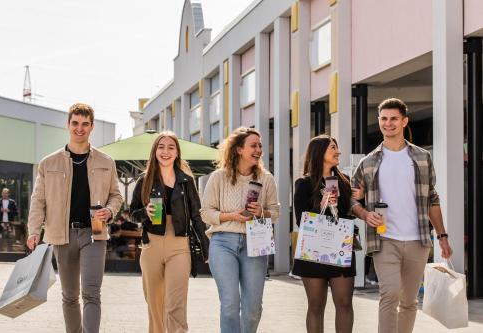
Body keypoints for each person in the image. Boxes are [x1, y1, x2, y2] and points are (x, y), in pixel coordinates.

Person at [351, 98, 453, 333]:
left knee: (409, 301)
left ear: (404, 121)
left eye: (394, 118)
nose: (388, 123)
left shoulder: (421, 158)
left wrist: (443, 236)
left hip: (417, 240)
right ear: (379, 122)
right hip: (384, 239)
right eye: (384, 119)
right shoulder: (368, 162)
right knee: (390, 295)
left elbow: (432, 198)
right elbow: (352, 198)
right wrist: (365, 214)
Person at [27, 103, 123, 333]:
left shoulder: (106, 161)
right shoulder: (48, 163)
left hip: (95, 233)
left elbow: (116, 196)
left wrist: (109, 211)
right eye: (75, 123)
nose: (80, 128)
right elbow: (38, 200)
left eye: (85, 124)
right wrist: (33, 231)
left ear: (92, 127)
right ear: (68, 125)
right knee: (69, 296)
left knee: (91, 292)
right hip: (62, 235)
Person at [200, 127, 280, 333]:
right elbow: (206, 213)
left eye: (260, 146)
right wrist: (232, 217)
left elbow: (276, 213)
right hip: (222, 243)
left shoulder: (267, 178)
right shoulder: (218, 177)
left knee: (253, 308)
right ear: (238, 150)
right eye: (253, 145)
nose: (259, 150)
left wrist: (262, 211)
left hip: (256, 242)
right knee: (230, 304)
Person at [130, 131, 209, 333]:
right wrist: (144, 212)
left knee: (176, 302)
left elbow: (197, 216)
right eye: (161, 147)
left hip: (179, 245)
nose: (165, 151)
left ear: (177, 153)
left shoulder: (186, 181)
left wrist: (206, 247)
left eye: (170, 147)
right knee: (155, 304)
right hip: (151, 244)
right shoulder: (144, 180)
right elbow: (132, 214)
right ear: (155, 151)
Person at [293, 135, 359, 333]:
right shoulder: (304, 183)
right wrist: (322, 204)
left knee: (345, 303)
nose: (338, 151)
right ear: (319, 152)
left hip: (340, 248)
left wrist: (352, 201)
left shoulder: (344, 182)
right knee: (315, 306)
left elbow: (350, 213)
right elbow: (300, 220)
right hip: (313, 252)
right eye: (333, 148)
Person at [0, 188, 18, 252]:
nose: (4, 194)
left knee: (9, 239)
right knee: (0, 239)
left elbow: (16, 213)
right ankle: (0, 253)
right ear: (1, 193)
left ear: (8, 194)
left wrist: (9, 211)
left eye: (6, 193)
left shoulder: (12, 202)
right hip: (0, 223)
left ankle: (9, 253)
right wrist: (0, 211)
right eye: (3, 193)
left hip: (9, 223)